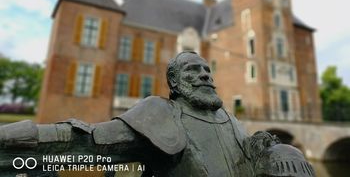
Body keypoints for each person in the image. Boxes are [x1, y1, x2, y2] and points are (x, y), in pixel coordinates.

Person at [0, 51, 314, 177]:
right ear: (174, 83)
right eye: (193, 71)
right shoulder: (161, 115)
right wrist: (15, 146)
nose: (205, 75)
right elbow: (87, 142)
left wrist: (280, 157)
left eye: (207, 70)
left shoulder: (233, 122)